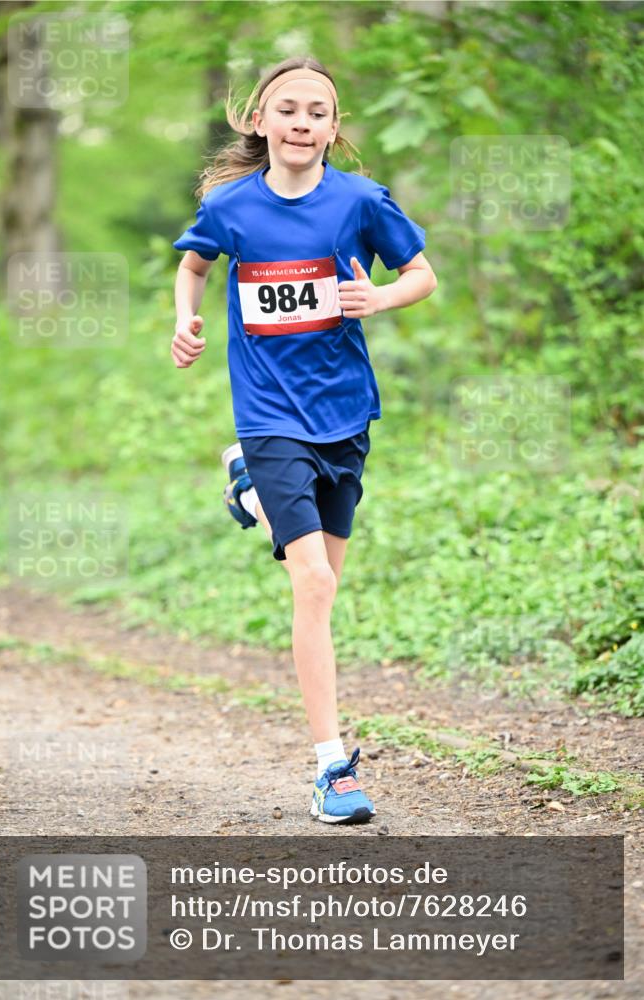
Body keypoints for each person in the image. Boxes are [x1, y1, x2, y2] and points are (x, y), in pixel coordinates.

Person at [171, 56, 437, 825]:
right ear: (260, 121)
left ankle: (249, 489)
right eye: (287, 109)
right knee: (312, 583)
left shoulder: (359, 202)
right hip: (267, 414)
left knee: (324, 591)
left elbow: (420, 273)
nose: (301, 122)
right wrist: (185, 319)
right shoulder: (231, 206)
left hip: (344, 415)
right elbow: (193, 266)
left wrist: (379, 296)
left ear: (332, 127)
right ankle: (331, 767)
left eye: (317, 112)